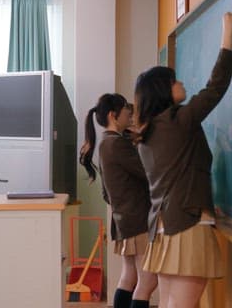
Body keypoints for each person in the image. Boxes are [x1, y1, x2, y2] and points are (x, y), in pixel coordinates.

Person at [134, 12, 232, 308]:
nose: (181, 83)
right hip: (186, 224)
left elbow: (181, 171)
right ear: (164, 90)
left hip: (166, 225)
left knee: (171, 300)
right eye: (174, 80)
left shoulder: (149, 129)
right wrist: (228, 33)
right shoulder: (177, 121)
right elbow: (215, 87)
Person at [79, 94, 157, 308]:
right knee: (148, 280)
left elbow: (106, 193)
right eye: (127, 113)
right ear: (114, 115)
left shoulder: (106, 142)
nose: (130, 117)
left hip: (123, 219)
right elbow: (148, 172)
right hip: (137, 219)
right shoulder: (118, 144)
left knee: (129, 276)